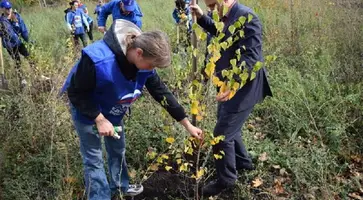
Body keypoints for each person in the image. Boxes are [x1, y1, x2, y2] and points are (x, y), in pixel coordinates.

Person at [60, 19, 203, 200]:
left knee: (117, 150)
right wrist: (99, 118)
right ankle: (100, 196)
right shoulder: (97, 59)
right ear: (139, 53)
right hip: (88, 110)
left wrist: (187, 125)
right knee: (94, 160)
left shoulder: (144, 65)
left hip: (113, 110)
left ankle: (120, 187)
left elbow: (162, 93)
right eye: (152, 65)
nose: (152, 70)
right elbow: (76, 93)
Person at [190, 0, 272, 197]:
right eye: (208, 7)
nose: (211, 9)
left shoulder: (247, 17)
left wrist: (232, 83)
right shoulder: (223, 14)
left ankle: (227, 179)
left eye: (212, 5)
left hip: (244, 87)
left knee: (222, 134)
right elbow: (221, 33)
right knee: (228, 124)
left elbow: (252, 58)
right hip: (227, 86)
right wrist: (202, 17)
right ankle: (243, 162)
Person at [0, 0, 32, 88]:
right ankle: (22, 79)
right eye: (6, 8)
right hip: (10, 45)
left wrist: (28, 40)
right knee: (17, 62)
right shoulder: (1, 21)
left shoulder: (16, 16)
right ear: (2, 9)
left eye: (10, 7)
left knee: (29, 56)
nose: (9, 10)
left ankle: (38, 74)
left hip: (19, 43)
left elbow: (23, 29)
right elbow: (8, 34)